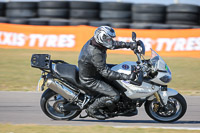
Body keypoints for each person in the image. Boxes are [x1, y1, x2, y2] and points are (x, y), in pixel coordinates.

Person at [78, 26, 142, 120]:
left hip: (96, 70)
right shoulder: (95, 52)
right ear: (101, 37)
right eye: (108, 38)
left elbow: (114, 44)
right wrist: (127, 77)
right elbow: (106, 73)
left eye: (110, 38)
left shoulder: (97, 42)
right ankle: (91, 109)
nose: (110, 41)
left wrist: (130, 45)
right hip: (91, 79)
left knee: (121, 68)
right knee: (114, 95)